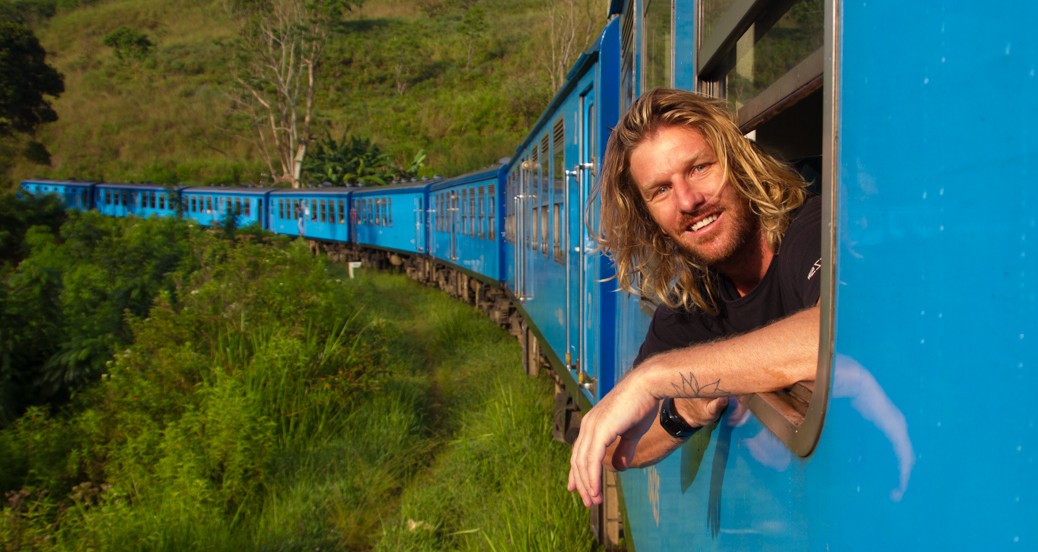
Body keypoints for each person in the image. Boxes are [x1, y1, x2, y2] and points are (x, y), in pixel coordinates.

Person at [567, 89, 822, 507]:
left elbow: (836, 335)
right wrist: (679, 414)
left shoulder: (810, 230)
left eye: (699, 168)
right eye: (661, 190)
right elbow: (611, 452)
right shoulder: (693, 306)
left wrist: (655, 378)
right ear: (648, 215)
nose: (688, 201)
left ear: (737, 162)